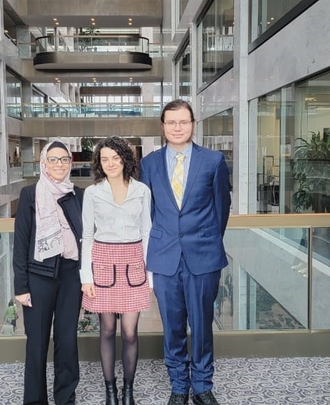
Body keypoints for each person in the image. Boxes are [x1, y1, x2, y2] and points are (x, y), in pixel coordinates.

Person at [140, 100, 231, 405]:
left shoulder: (213, 161)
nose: (177, 128)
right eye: (171, 122)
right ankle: (179, 386)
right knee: (173, 326)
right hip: (165, 258)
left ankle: (202, 386)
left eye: (183, 122)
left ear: (193, 124)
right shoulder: (149, 164)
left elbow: (222, 209)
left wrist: (205, 241)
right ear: (163, 126)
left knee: (203, 325)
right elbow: (148, 212)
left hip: (203, 257)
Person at [80, 137, 152, 405]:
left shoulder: (142, 191)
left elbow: (147, 232)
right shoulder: (93, 193)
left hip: (134, 260)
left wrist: (150, 275)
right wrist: (85, 277)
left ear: (125, 159)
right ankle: (110, 391)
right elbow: (87, 235)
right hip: (103, 260)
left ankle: (128, 390)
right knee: (107, 329)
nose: (110, 163)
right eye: (104, 159)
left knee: (131, 332)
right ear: (99, 163)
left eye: (115, 157)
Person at [13, 141, 84, 405]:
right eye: (53, 160)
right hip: (38, 276)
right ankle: (35, 401)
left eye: (64, 159)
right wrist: (21, 286)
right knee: (37, 344)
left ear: (70, 163)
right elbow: (20, 242)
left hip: (70, 276)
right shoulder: (29, 194)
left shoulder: (79, 195)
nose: (59, 165)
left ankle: (65, 398)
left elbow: (85, 237)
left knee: (67, 341)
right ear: (44, 163)